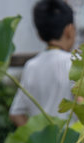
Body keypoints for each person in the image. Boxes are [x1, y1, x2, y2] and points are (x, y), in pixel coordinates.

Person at [10, 0, 77, 128]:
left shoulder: (31, 66)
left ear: (39, 35)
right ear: (70, 30)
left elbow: (16, 114)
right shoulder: (76, 62)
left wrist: (35, 141)